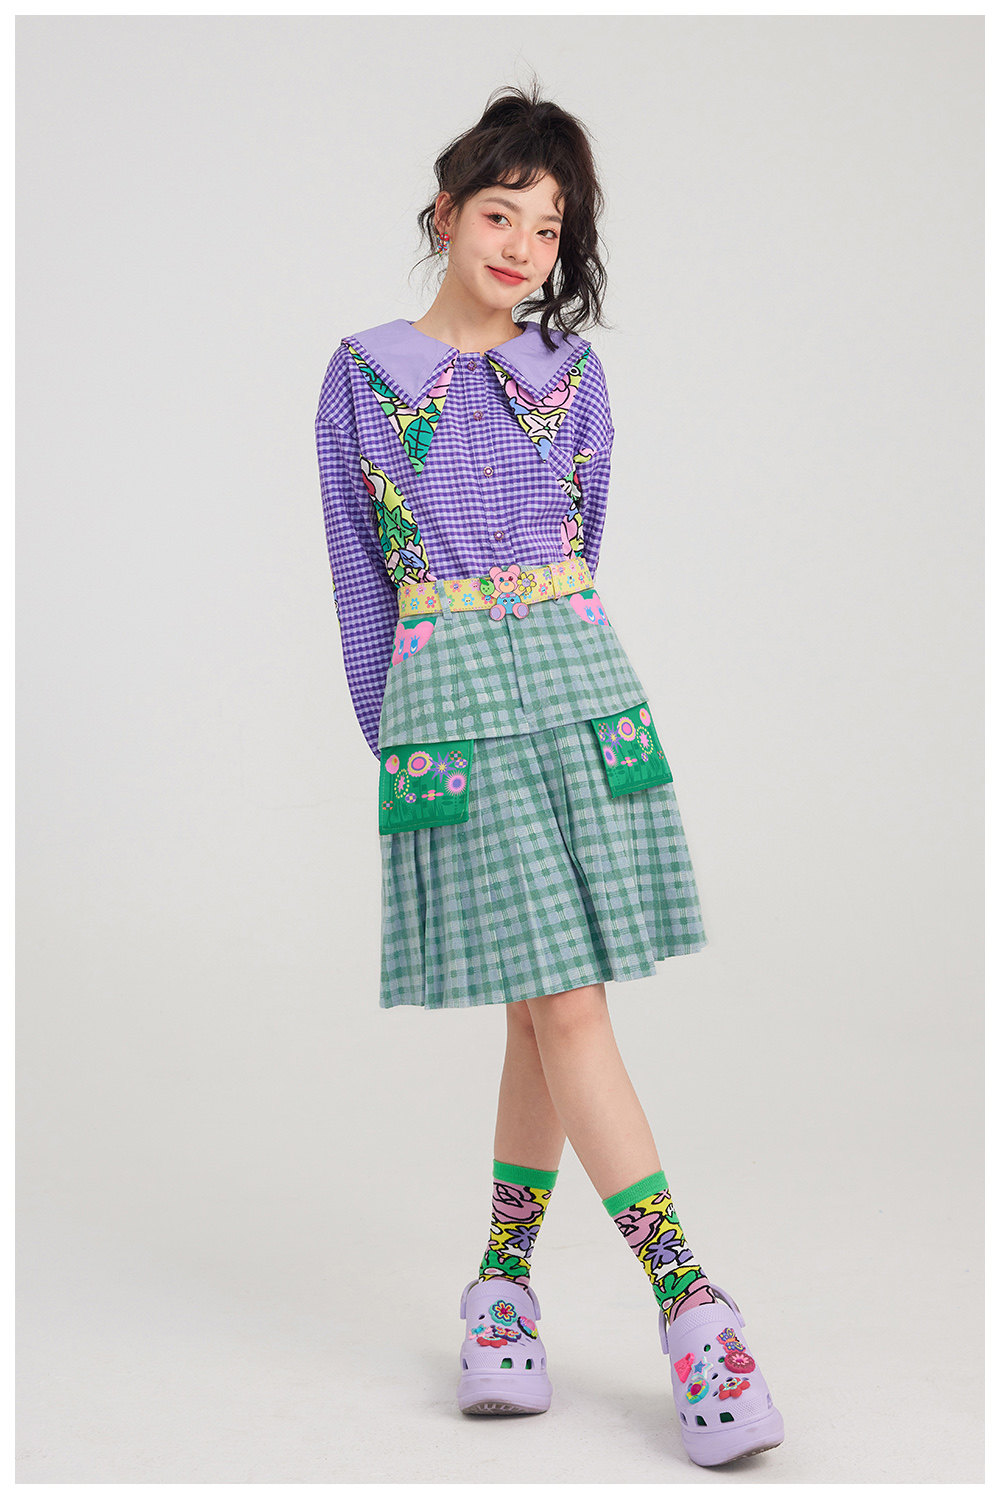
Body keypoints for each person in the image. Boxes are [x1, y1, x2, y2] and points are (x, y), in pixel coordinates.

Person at [314, 82, 784, 1469]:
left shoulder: (571, 379)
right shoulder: (362, 376)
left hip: (582, 687)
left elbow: (587, 539)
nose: (522, 246)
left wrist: (548, 649)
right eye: (500, 214)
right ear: (445, 213)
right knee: (566, 1003)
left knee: (547, 1014)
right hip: (450, 703)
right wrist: (399, 736)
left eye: (549, 226)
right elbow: (357, 574)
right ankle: (693, 1308)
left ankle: (501, 1293)